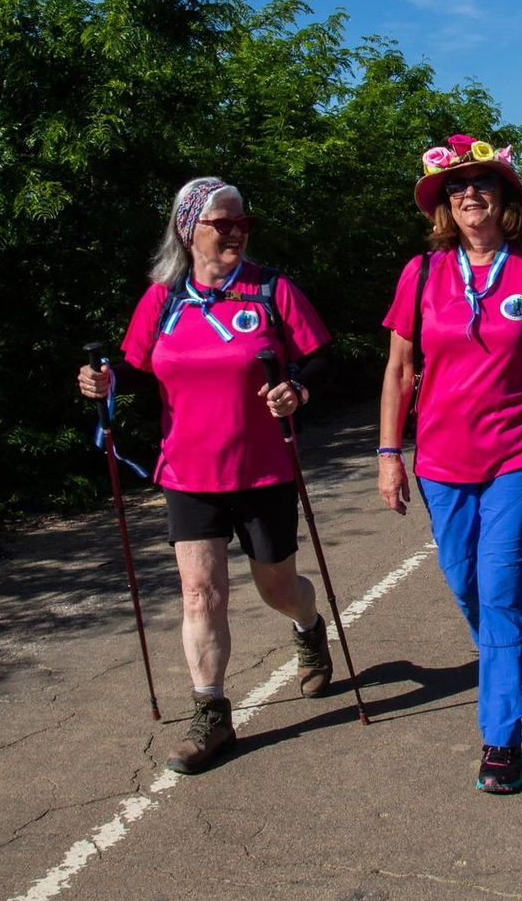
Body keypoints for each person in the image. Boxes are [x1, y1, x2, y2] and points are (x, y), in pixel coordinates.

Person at [76, 177, 335, 776]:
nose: (238, 231)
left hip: (262, 469)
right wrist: (104, 381)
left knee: (277, 586)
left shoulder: (271, 290)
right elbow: (136, 369)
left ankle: (308, 625)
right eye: (225, 222)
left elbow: (322, 357)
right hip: (188, 472)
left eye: (244, 221)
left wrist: (298, 388)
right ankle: (212, 712)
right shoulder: (162, 298)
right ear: (188, 228)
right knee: (201, 593)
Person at [377, 134, 522, 795]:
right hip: (441, 462)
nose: (469, 194)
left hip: (521, 455)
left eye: (483, 184)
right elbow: (398, 371)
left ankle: (501, 735)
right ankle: (509, 655)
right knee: (466, 584)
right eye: (457, 187)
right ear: (445, 203)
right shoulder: (420, 274)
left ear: (504, 196)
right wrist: (390, 452)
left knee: (501, 588)